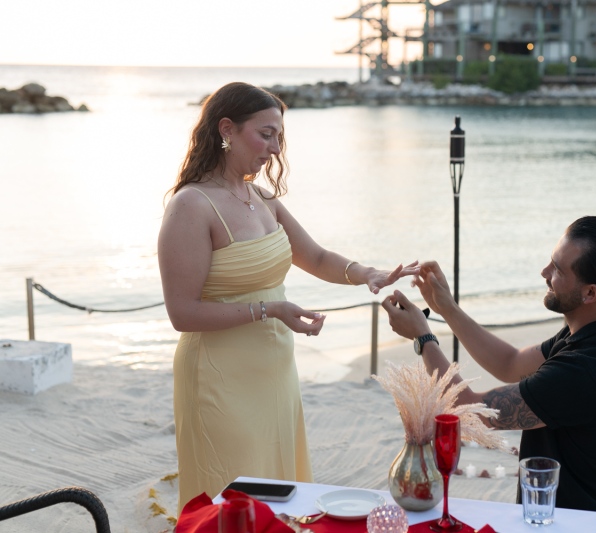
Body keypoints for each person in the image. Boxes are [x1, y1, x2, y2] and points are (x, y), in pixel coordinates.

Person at [158, 82, 418, 512]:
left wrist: (367, 274)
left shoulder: (262, 199)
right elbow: (182, 313)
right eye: (266, 134)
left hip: (274, 371)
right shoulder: (192, 205)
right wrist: (270, 309)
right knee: (233, 502)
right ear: (227, 129)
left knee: (280, 498)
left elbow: (315, 256)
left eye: (278, 136)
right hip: (218, 377)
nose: (275, 148)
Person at [382, 216, 596, 533]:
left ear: (590, 293)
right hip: (569, 519)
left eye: (558, 270)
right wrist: (446, 307)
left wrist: (423, 338)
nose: (544, 273)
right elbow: (510, 362)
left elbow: (472, 411)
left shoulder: (587, 368)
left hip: (572, 526)